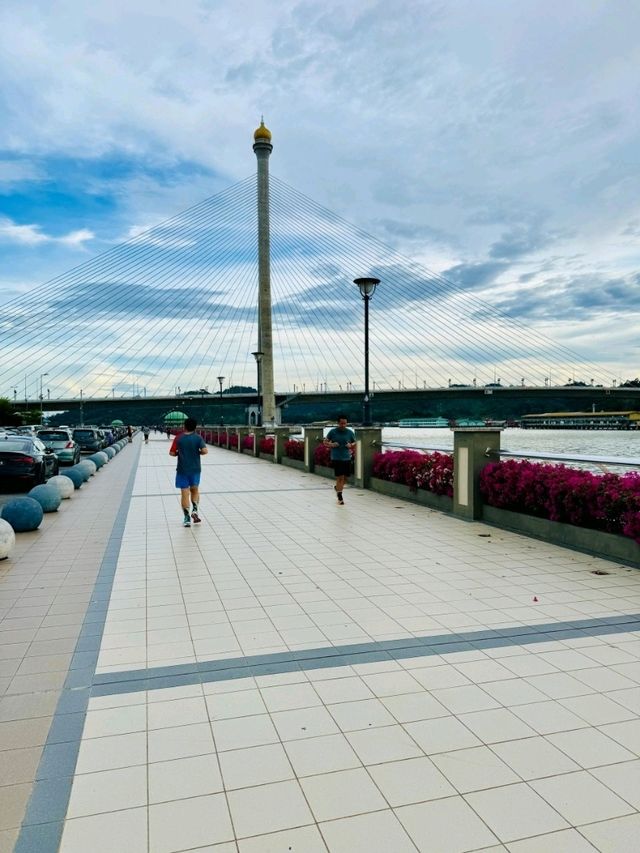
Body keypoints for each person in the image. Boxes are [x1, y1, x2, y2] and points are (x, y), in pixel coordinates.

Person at [169, 417, 208, 527]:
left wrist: (178, 453)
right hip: (195, 469)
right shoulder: (198, 438)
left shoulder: (178, 438)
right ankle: (195, 510)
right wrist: (197, 452)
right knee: (195, 490)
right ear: (195, 427)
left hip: (182, 470)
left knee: (184, 493)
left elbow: (171, 453)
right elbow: (205, 451)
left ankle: (186, 518)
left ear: (184, 426)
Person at [324, 415, 356, 506]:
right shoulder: (332, 432)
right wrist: (331, 444)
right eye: (341, 423)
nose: (343, 425)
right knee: (340, 477)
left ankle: (337, 488)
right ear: (338, 423)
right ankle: (340, 497)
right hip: (336, 457)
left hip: (347, 457)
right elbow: (325, 442)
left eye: (345, 423)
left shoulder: (350, 432)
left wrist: (351, 445)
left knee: (346, 478)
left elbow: (354, 442)